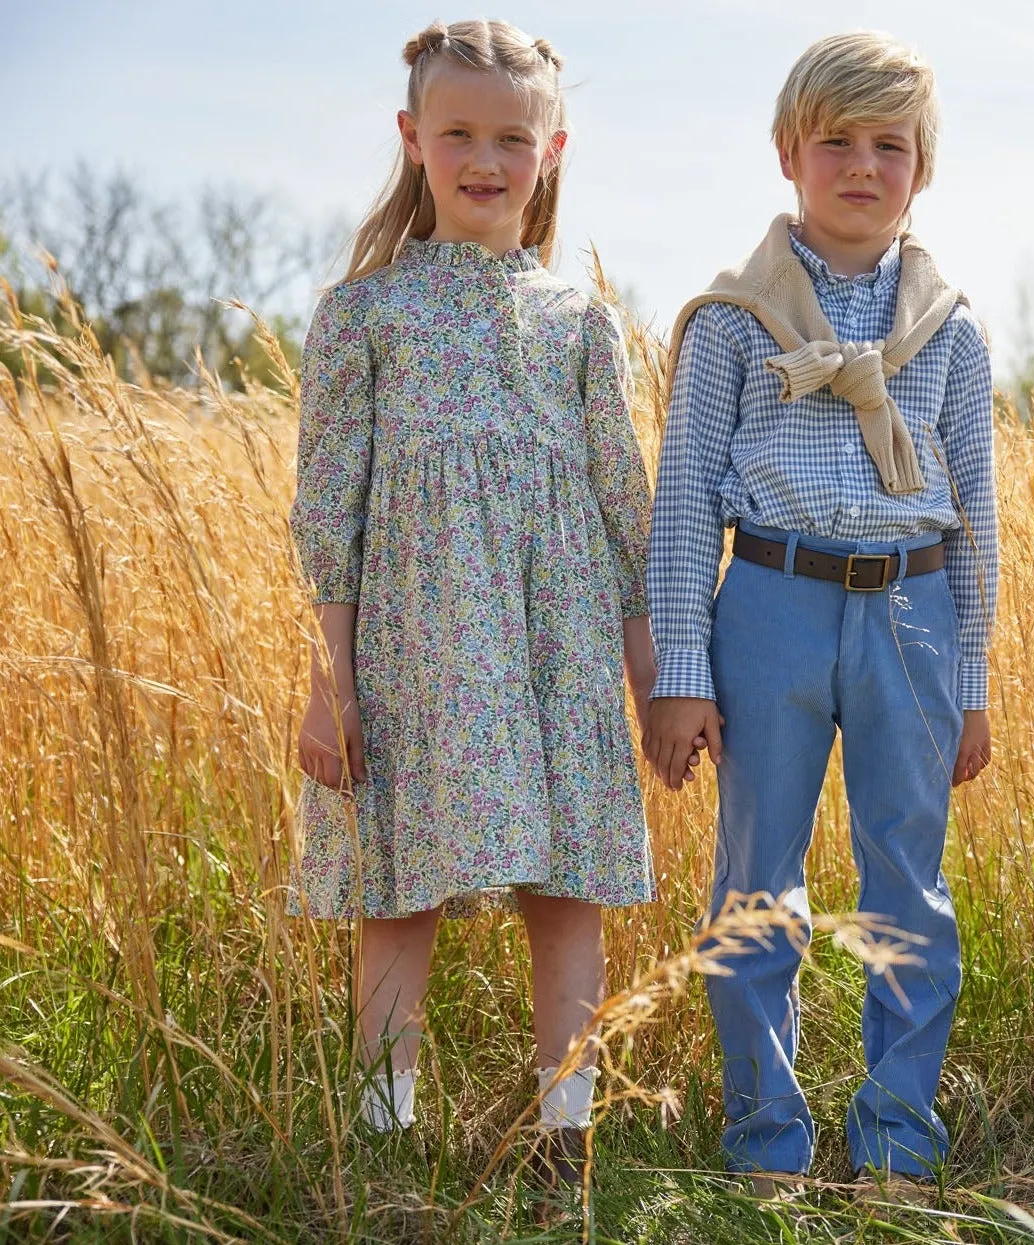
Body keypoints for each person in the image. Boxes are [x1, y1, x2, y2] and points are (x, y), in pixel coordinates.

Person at [287, 18, 653, 1190]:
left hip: (562, 645)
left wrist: (657, 681)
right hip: (412, 647)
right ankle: (384, 1143)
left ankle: (566, 1134)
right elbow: (326, 519)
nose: (484, 159)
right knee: (396, 886)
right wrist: (328, 683)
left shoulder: (578, 319)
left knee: (568, 880)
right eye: (457, 134)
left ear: (553, 148)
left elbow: (623, 507)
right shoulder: (366, 316)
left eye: (511, 136)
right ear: (412, 139)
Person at [645, 30, 999, 1184]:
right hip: (772, 605)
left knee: (910, 882)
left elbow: (975, 517)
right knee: (757, 883)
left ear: (922, 168)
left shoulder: (947, 334)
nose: (861, 165)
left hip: (909, 614)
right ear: (788, 157)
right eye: (833, 142)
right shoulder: (734, 320)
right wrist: (683, 673)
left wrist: (972, 683)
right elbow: (687, 501)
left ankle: (897, 1134)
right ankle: (766, 1137)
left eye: (887, 145)